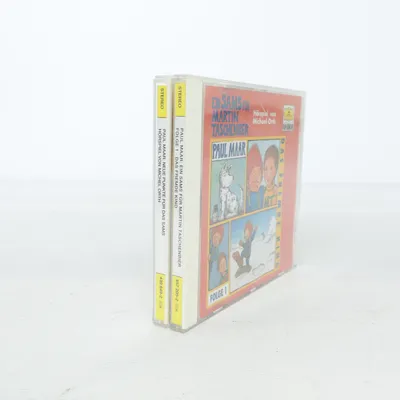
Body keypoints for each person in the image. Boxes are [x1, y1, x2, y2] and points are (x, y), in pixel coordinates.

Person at [246, 144, 264, 212]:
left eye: (259, 172)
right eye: (253, 172)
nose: (256, 178)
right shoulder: (243, 197)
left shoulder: (264, 192)